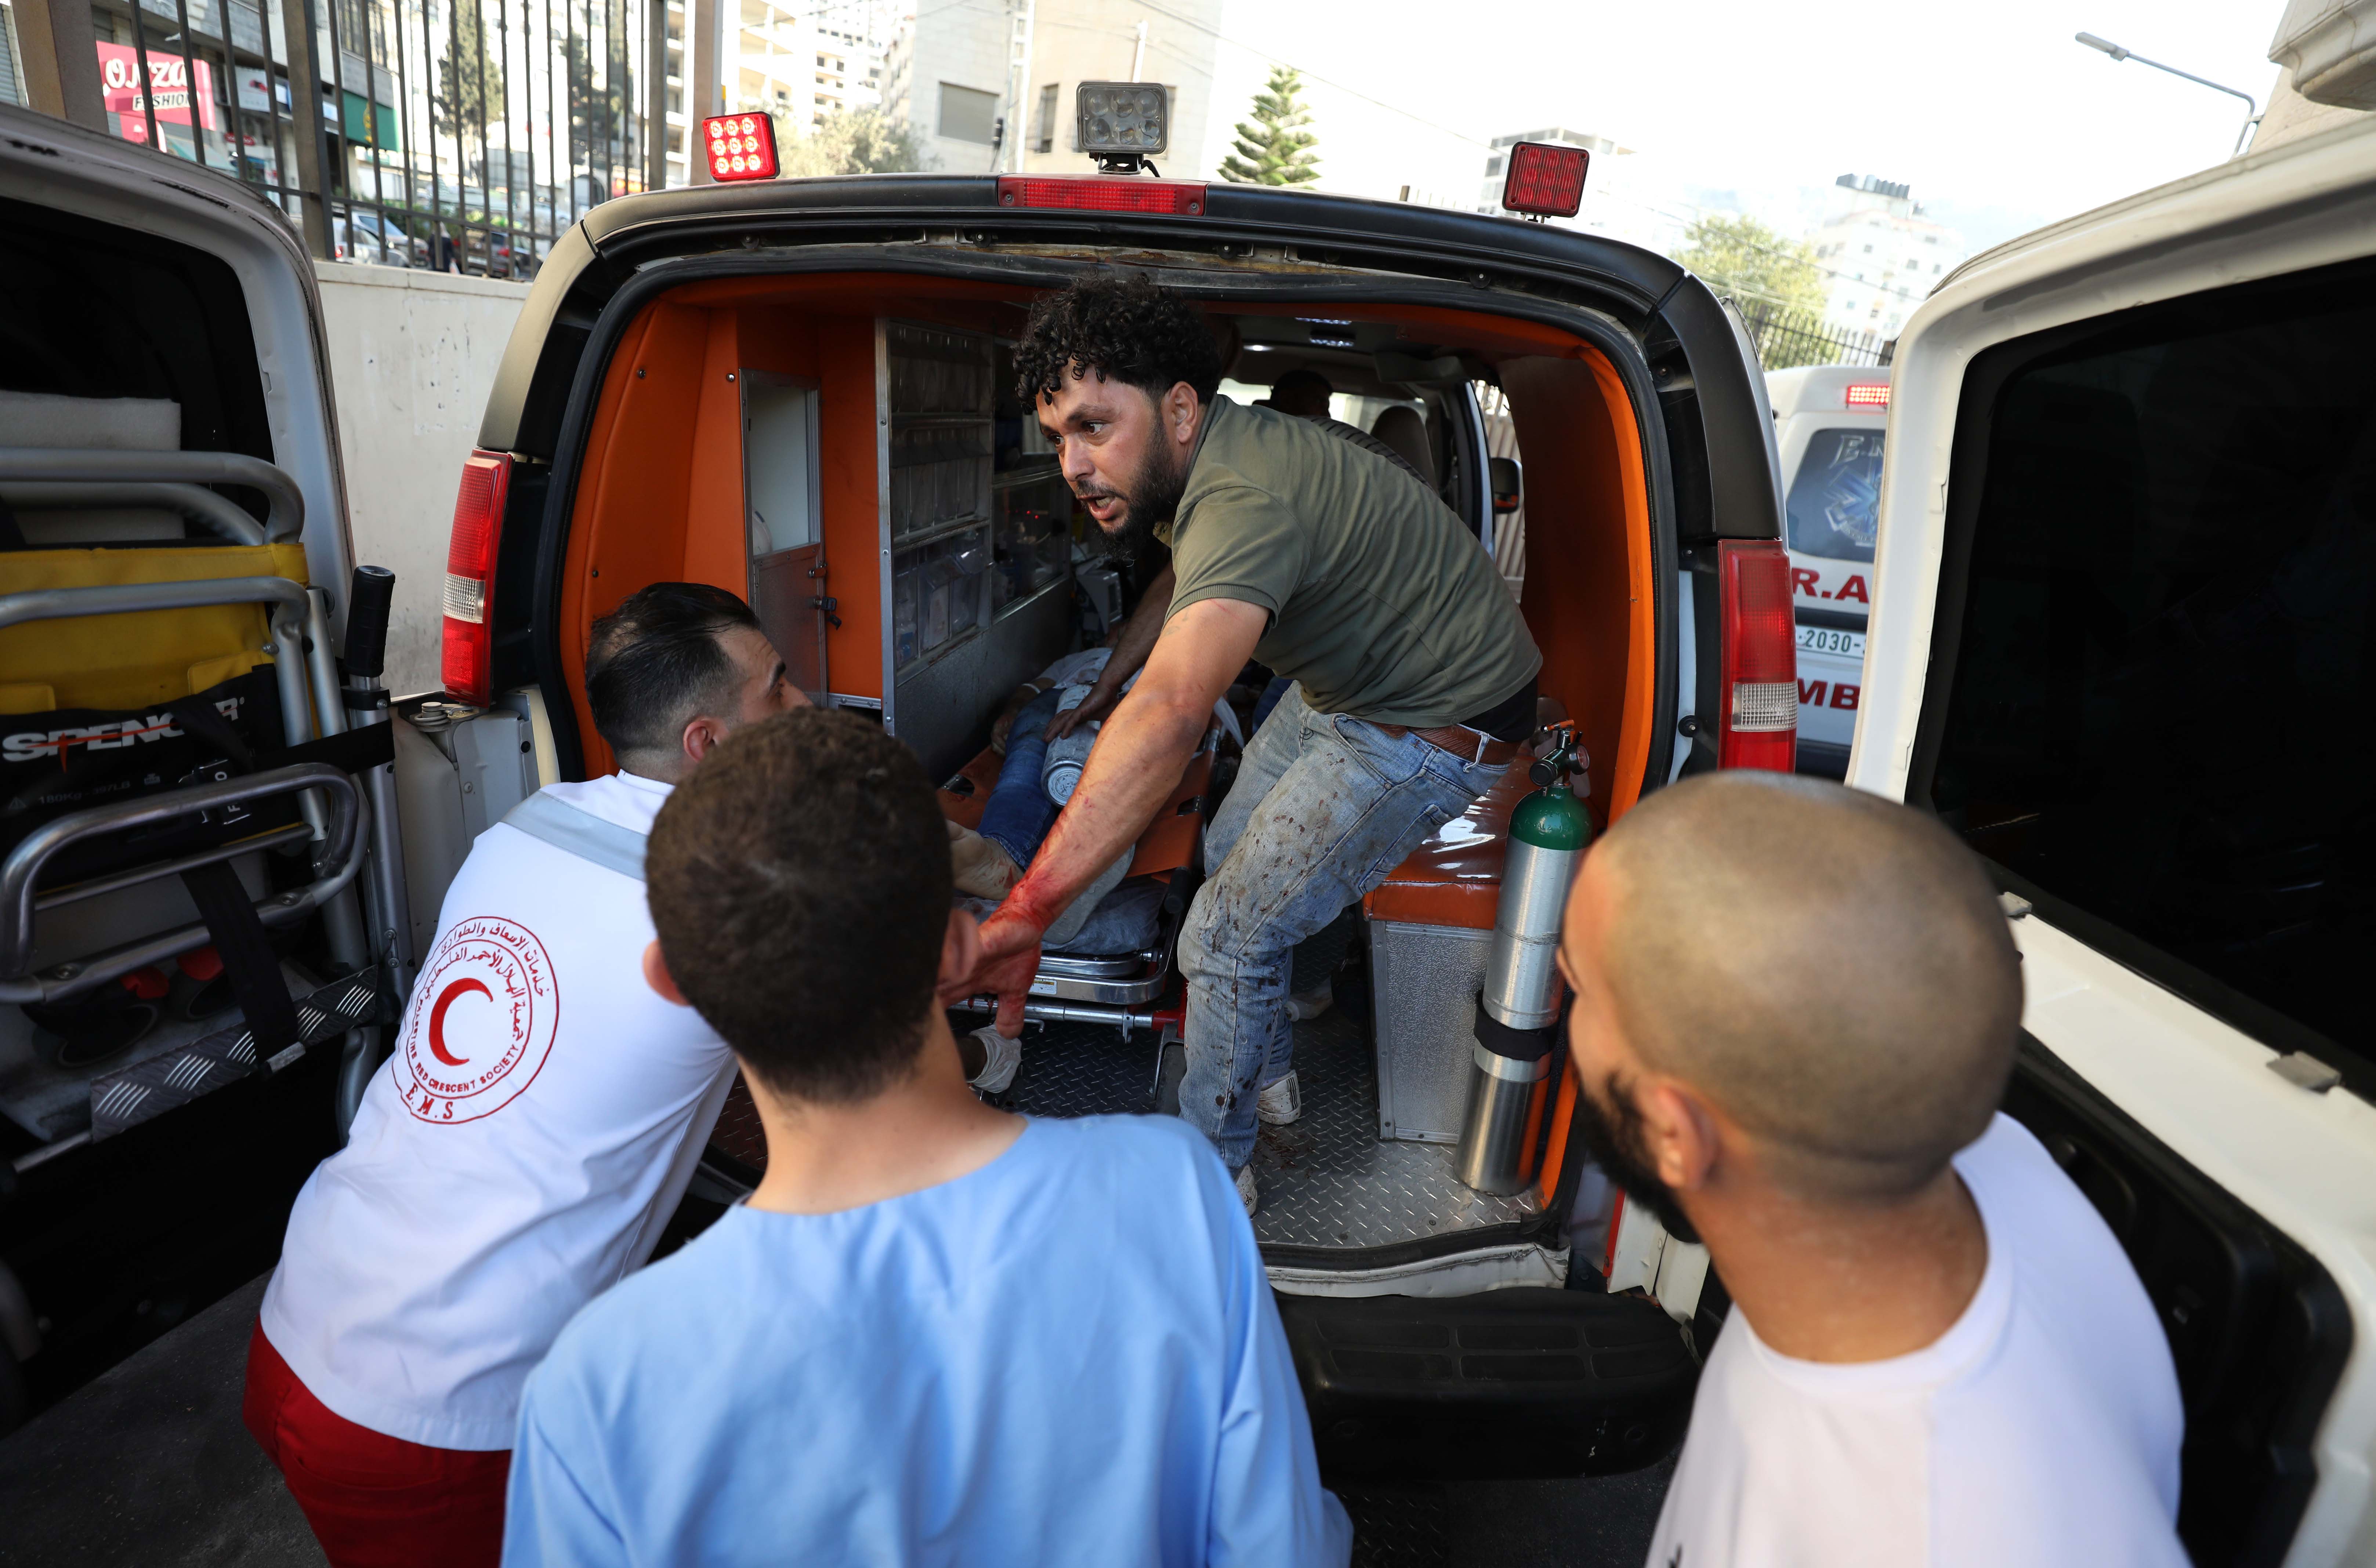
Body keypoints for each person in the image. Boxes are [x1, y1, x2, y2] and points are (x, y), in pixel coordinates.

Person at [504, 709, 1352, 1567]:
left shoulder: (598, 1385)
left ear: (673, 983)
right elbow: (1283, 1546)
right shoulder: (1174, 1192)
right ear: (959, 947)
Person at [244, 583, 803, 1568]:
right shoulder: (724, 905)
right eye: (780, 690)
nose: (804, 708)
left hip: (302, 1320)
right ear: (710, 744)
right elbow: (833, 1120)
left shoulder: (530, 825)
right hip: (433, 1419)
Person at [959, 276, 1542, 1213]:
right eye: (1057, 435)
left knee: (1223, 939)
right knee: (1227, 857)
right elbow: (1184, 587)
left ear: (1180, 409)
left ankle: (1210, 1177)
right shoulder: (1211, 467)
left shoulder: (1242, 497)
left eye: (1093, 427)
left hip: (1432, 720)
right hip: (1346, 689)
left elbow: (1174, 714)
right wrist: (1106, 682)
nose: (1070, 463)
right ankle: (1266, 1073)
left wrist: (1029, 907)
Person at [1556, 772, 2187, 1568]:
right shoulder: (1960, 1152)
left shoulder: (1938, 1534)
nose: (1562, 1002)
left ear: (1675, 1133)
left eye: (1580, 985)